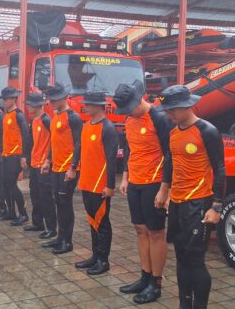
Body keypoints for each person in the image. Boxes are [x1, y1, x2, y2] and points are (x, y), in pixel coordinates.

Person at [155, 85, 226, 309]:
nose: (170, 114)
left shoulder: (207, 131)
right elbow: (170, 160)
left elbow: (220, 169)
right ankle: (184, 303)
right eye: (168, 110)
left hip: (199, 203)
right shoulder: (173, 132)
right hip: (176, 202)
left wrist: (216, 206)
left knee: (195, 259)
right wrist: (164, 189)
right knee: (181, 256)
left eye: (174, 109)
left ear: (189, 105)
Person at [113, 80, 174, 304]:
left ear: (140, 99)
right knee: (140, 229)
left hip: (154, 183)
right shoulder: (130, 119)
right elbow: (130, 148)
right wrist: (126, 177)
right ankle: (144, 276)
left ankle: (156, 283)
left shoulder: (159, 118)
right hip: (136, 182)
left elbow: (170, 154)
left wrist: (165, 190)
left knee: (155, 232)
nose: (128, 113)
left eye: (130, 107)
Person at [74, 91, 118, 276]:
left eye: (89, 104)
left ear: (100, 106)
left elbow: (111, 159)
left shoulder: (107, 128)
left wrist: (110, 185)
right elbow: (81, 149)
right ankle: (95, 256)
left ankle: (103, 260)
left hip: (100, 185)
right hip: (87, 182)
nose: (86, 107)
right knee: (92, 220)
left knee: (102, 222)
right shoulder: (86, 125)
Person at [40, 84, 82, 255]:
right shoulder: (56, 116)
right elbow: (53, 142)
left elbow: (79, 143)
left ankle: (67, 241)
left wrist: (73, 167)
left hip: (68, 168)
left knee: (65, 203)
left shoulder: (73, 117)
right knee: (58, 201)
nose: (51, 103)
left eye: (54, 100)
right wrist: (48, 160)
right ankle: (60, 237)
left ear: (63, 98)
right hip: (56, 167)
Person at [0, 86, 30, 226]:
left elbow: (25, 135)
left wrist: (24, 156)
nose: (4, 101)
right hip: (6, 154)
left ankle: (23, 213)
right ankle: (11, 212)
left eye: (7, 99)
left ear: (13, 99)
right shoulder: (6, 115)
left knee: (11, 184)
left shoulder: (19, 115)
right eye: (3, 99)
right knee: (5, 184)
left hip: (15, 156)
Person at [23, 92, 53, 235]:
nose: (27, 107)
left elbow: (55, 141)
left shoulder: (46, 120)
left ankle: (51, 228)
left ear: (36, 105)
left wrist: (48, 159)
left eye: (29, 104)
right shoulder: (33, 121)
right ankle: (37, 223)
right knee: (35, 194)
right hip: (34, 164)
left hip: (44, 165)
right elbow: (31, 142)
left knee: (46, 197)